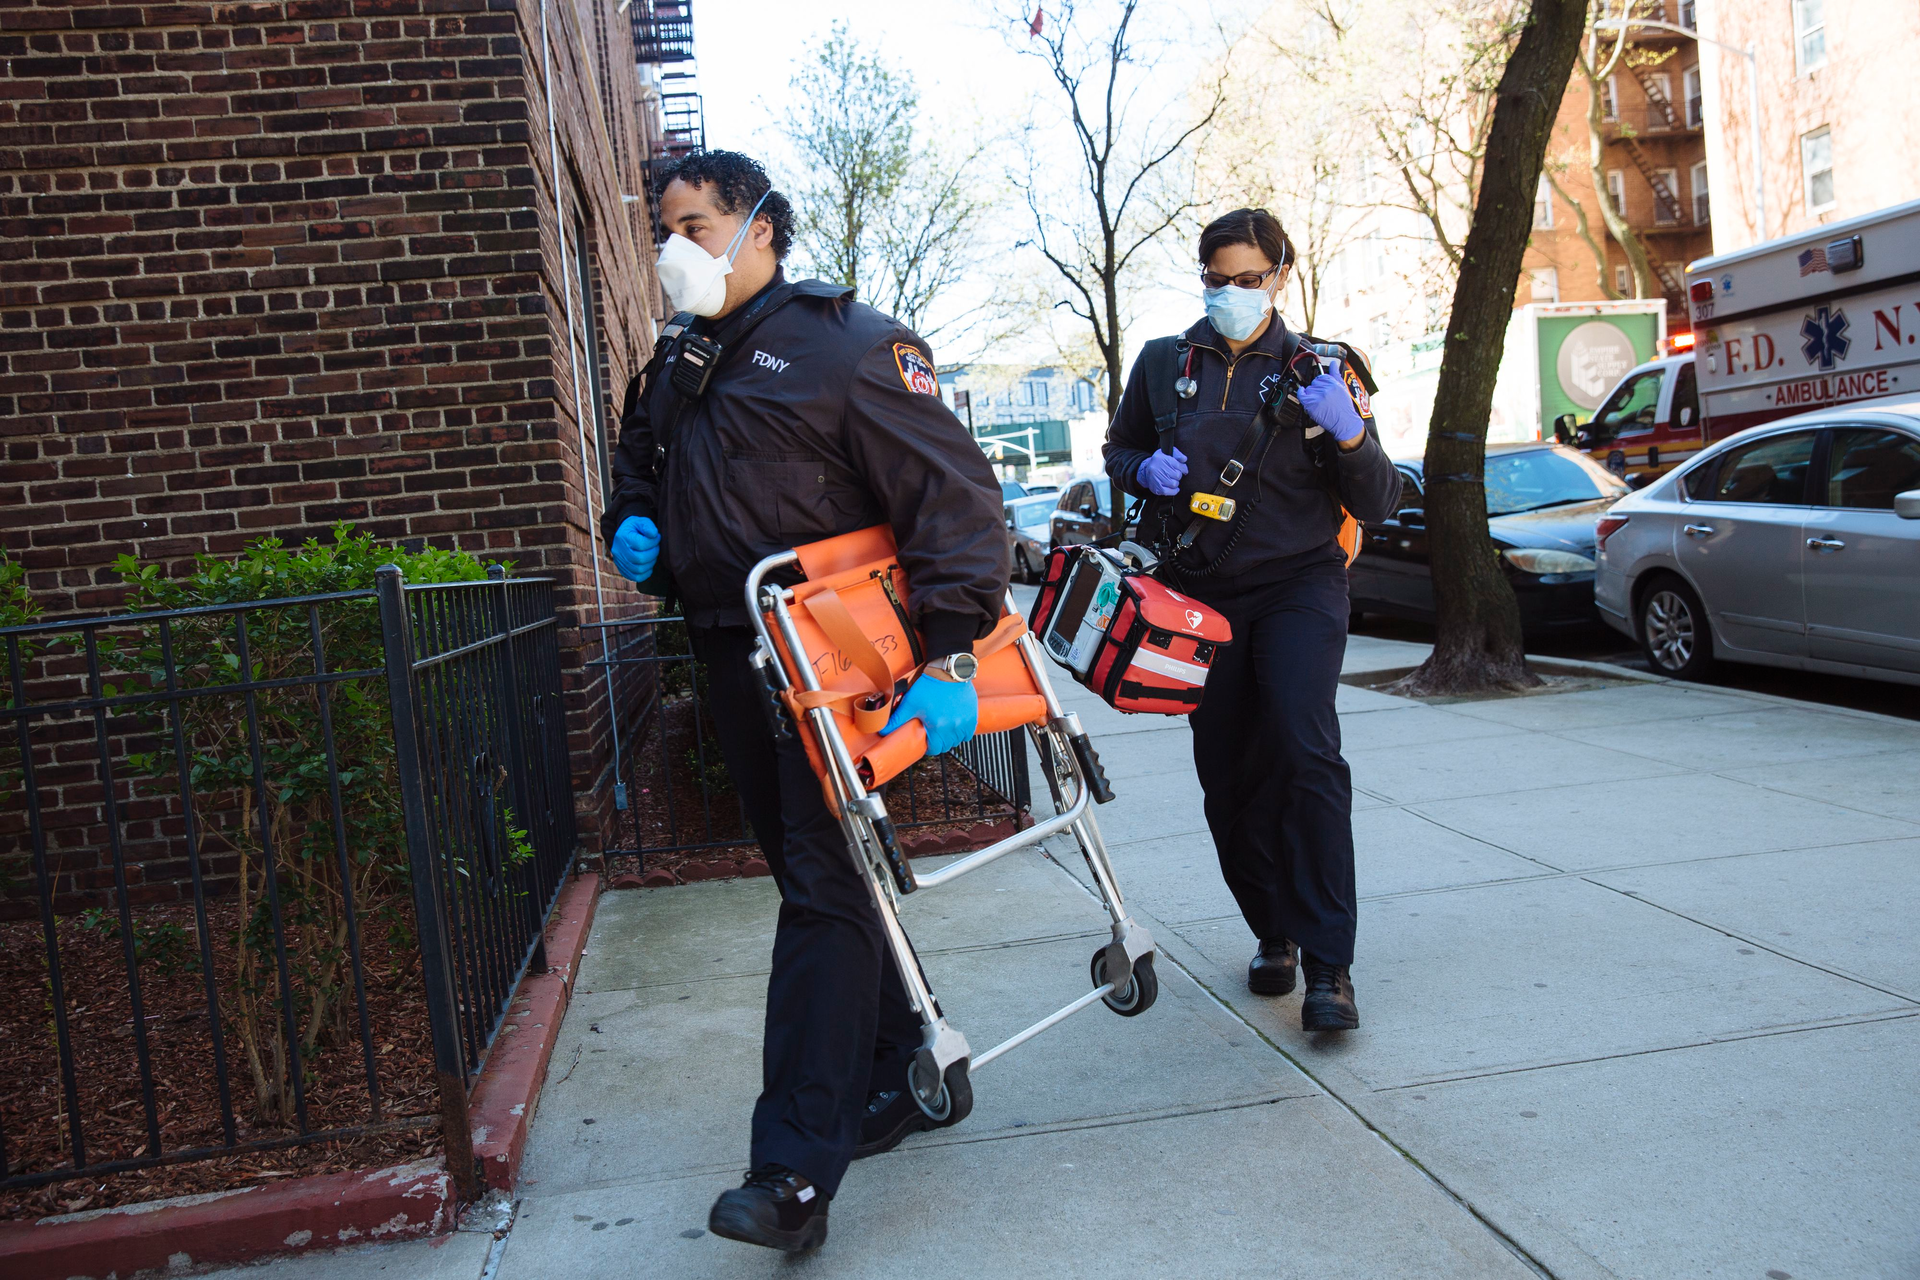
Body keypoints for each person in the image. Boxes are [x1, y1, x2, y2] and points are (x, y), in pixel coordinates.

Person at [601, 150, 1010, 1253]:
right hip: (730, 647)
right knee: (809, 875)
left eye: (696, 225)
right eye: (665, 229)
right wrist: (630, 521)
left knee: (825, 888)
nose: (674, 250)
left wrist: (956, 650)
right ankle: (897, 1066)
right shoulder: (679, 359)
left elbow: (959, 499)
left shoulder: (849, 347)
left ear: (763, 228)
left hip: (837, 659)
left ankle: (791, 1170)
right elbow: (636, 461)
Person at [1103, 208, 1401, 1032]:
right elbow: (1117, 449)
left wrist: (1350, 436)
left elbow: (1378, 498)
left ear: (1279, 277)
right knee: (1229, 777)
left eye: (1249, 278)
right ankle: (1274, 931)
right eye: (1217, 278)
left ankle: (1330, 967)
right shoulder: (1165, 364)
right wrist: (1143, 471)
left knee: (1306, 755)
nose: (1232, 292)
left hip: (1300, 585)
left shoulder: (1325, 368)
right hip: (1201, 596)